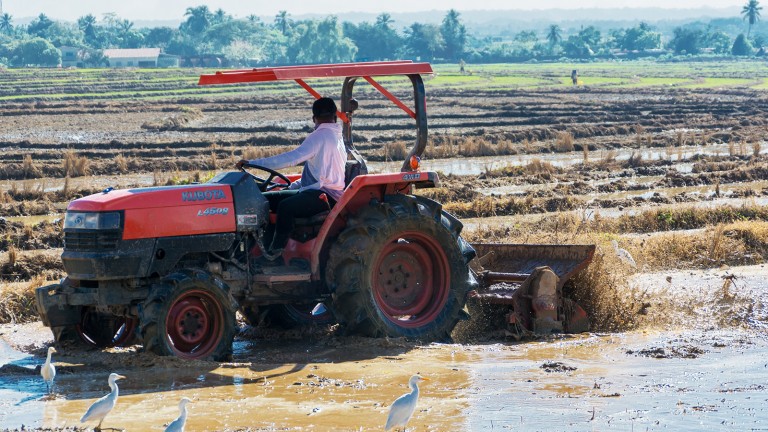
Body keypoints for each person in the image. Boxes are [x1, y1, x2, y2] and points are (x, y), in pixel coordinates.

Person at [236, 97, 346, 260]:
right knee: (266, 200)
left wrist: (253, 163)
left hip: (324, 195)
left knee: (285, 207)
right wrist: (291, 187)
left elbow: (290, 159)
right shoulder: (336, 137)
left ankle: (275, 253)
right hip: (320, 191)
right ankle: (264, 246)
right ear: (335, 117)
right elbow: (317, 175)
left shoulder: (319, 136)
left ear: (314, 118)